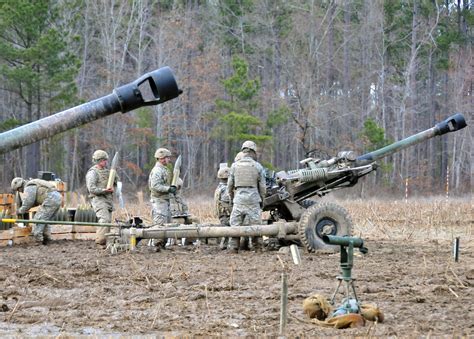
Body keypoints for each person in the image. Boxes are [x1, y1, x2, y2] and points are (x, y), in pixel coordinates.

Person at [227, 140, 267, 253]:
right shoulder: (258, 166)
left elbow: (229, 186)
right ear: (253, 152)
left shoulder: (234, 166)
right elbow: (263, 187)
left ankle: (234, 248)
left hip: (238, 199)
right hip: (253, 199)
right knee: (256, 227)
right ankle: (258, 248)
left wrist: (231, 199)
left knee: (235, 226)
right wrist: (262, 200)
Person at [11, 177, 62, 244]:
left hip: (50, 199)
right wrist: (26, 208)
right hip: (57, 198)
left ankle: (38, 240)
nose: (19, 191)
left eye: (18, 189)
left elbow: (28, 202)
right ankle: (47, 239)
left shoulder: (29, 187)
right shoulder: (33, 183)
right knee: (45, 221)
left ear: (20, 186)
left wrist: (19, 211)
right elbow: (34, 201)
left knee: (37, 220)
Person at [86, 150, 117, 247]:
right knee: (104, 219)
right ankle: (100, 242)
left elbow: (115, 182)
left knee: (108, 221)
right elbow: (91, 189)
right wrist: (104, 190)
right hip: (98, 199)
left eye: (106, 160)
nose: (106, 162)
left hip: (108, 199)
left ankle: (105, 241)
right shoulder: (93, 173)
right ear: (98, 161)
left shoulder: (107, 171)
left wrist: (114, 178)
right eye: (103, 160)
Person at [148, 147, 176, 250]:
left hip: (164, 199)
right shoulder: (157, 171)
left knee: (167, 222)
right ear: (162, 158)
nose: (169, 159)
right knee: (160, 222)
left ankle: (162, 245)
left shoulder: (164, 169)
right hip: (159, 200)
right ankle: (157, 245)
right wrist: (168, 189)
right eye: (167, 158)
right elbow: (155, 186)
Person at [214, 166, 231, 249]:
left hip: (221, 213)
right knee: (227, 230)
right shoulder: (225, 189)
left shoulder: (219, 187)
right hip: (226, 213)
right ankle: (224, 245)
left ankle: (225, 244)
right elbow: (227, 201)